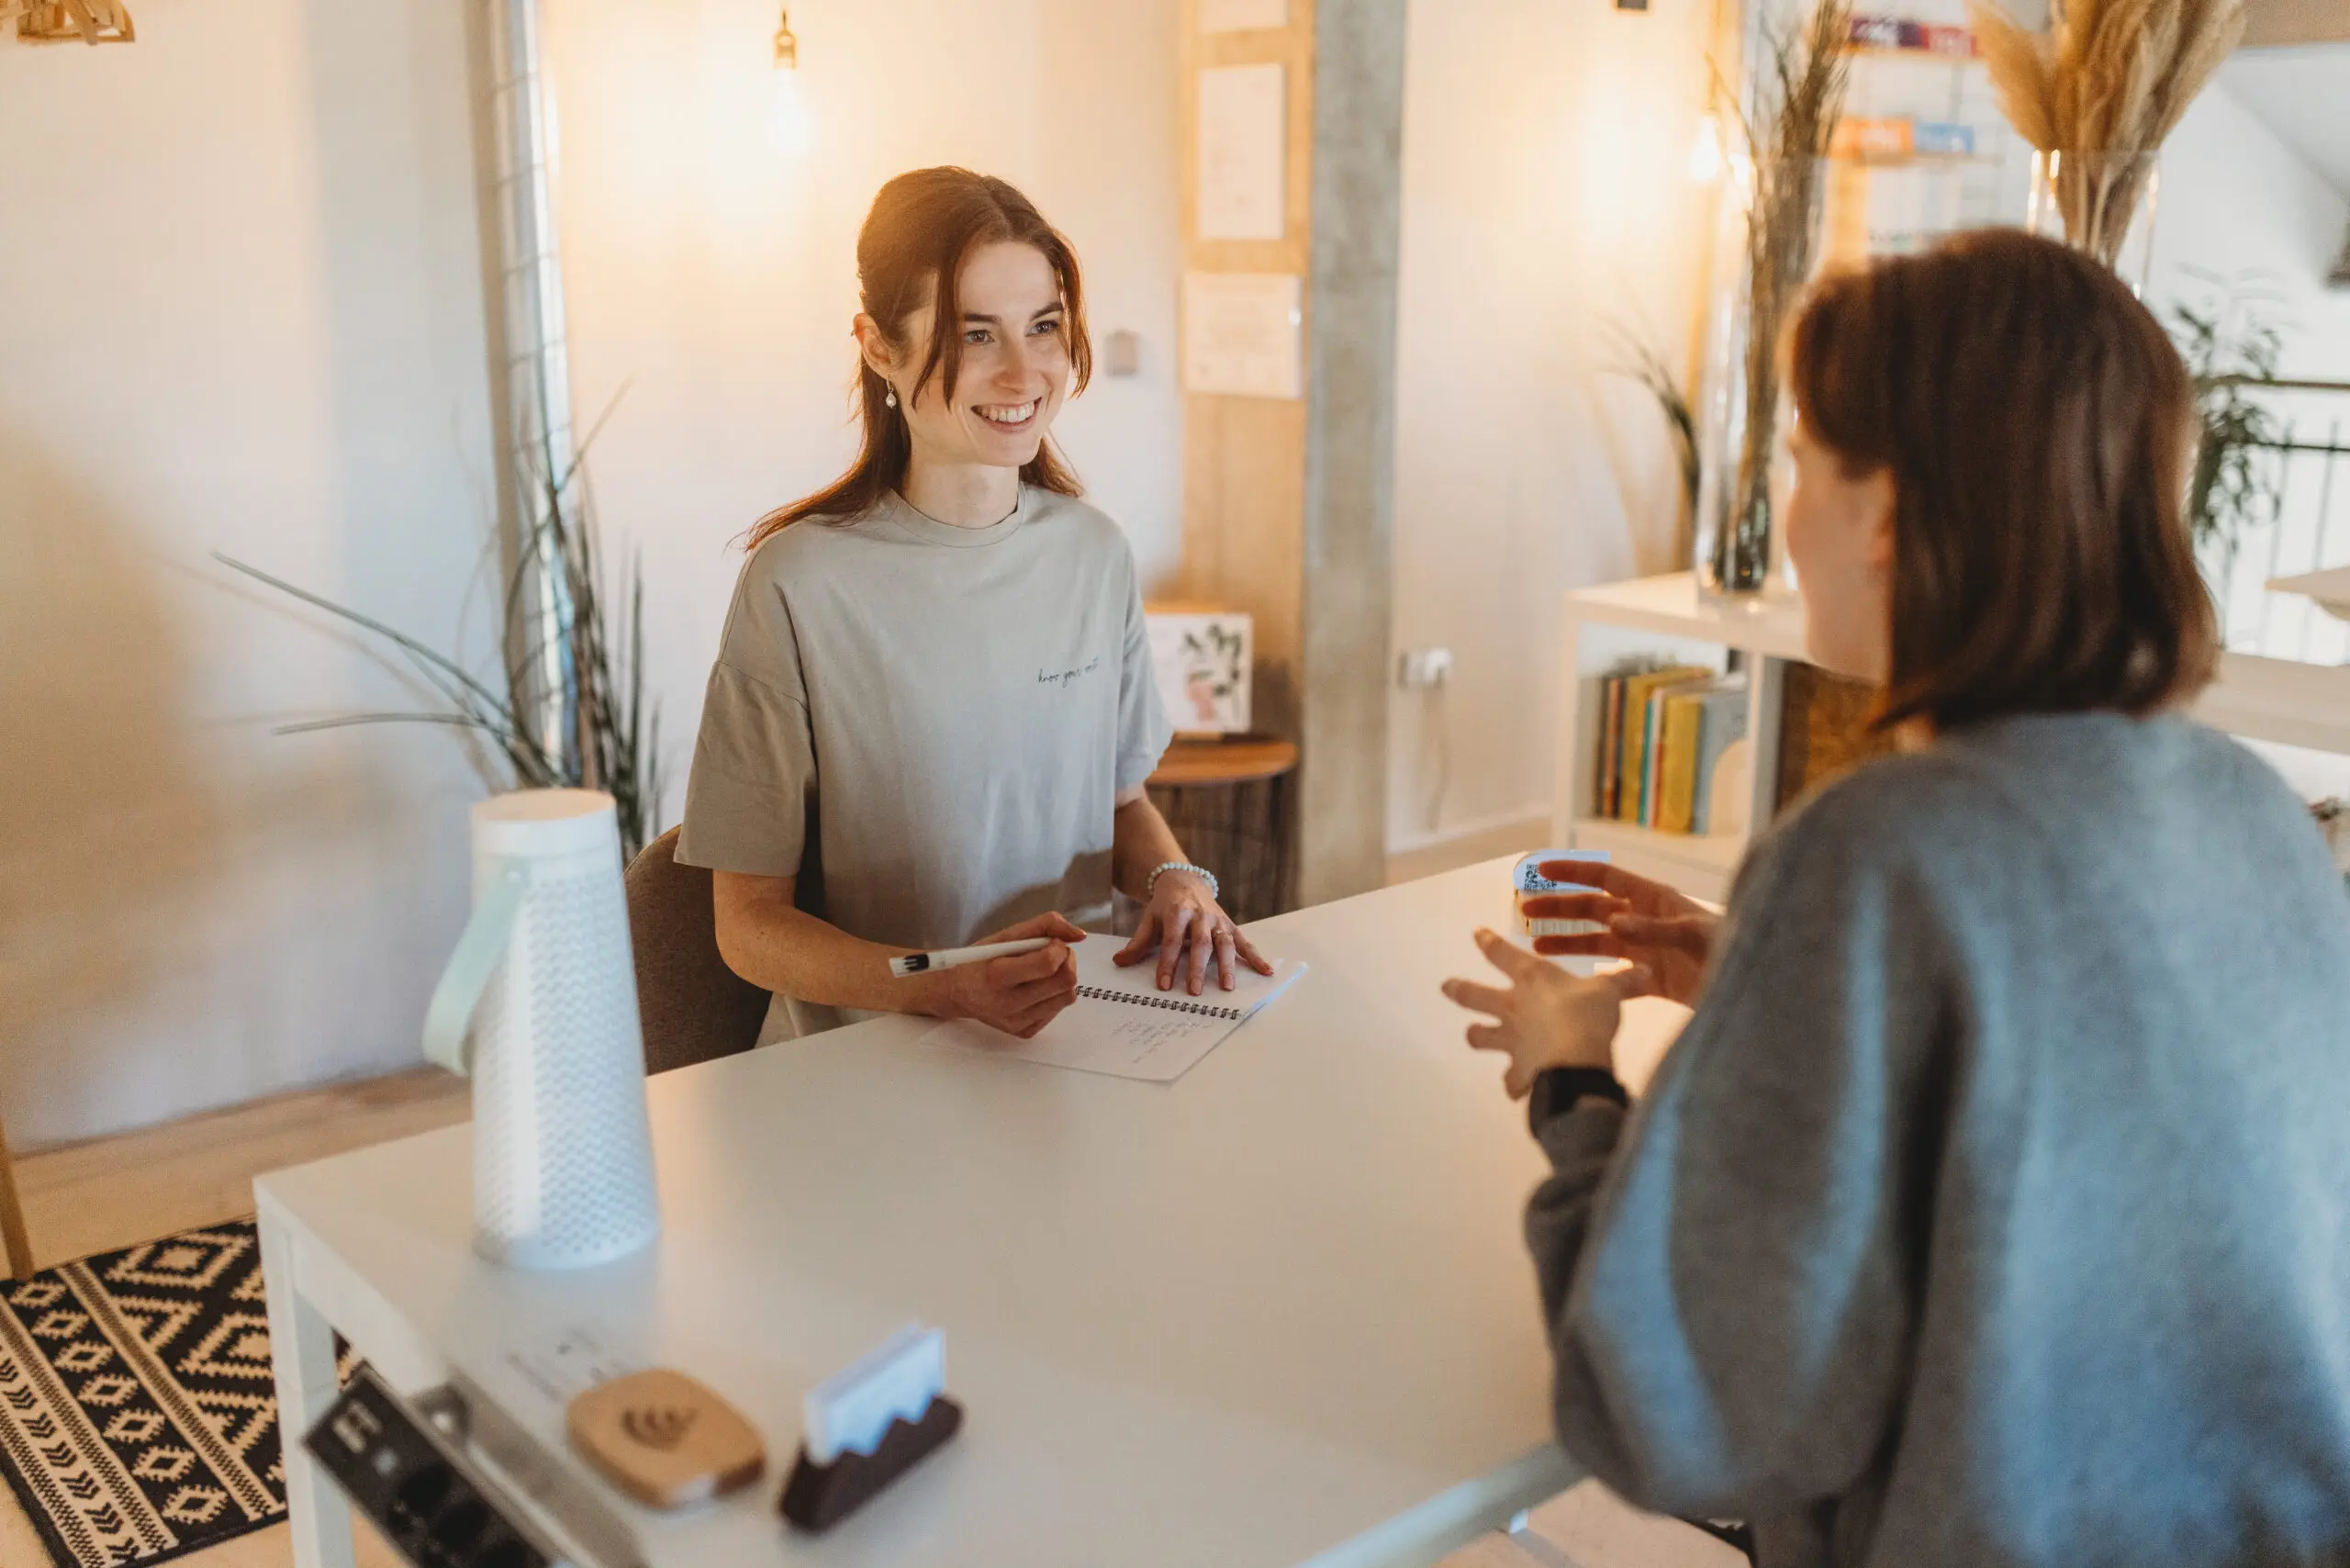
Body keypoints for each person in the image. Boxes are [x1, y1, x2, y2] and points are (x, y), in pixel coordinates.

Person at [1443, 229, 2350, 1567]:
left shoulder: (1874, 854)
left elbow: (1692, 1410)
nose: (1788, 510)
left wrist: (1575, 1084)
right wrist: (1763, 972)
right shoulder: (2253, 813)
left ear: (1890, 514)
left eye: (1803, 460)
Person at [677, 167, 1269, 1047]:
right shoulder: (798, 584)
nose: (1026, 371)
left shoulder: (1094, 554)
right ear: (879, 346)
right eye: (976, 334)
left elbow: (1116, 803)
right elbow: (748, 925)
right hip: (873, 1057)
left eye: (1043, 328)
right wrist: (936, 989)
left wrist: (1178, 879)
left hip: (1077, 1039)